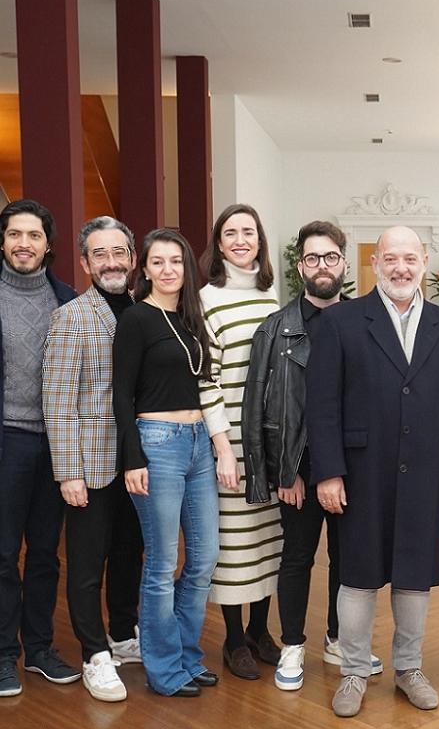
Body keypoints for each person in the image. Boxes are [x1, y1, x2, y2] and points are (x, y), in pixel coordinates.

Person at [307, 225, 439, 717]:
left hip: (427, 471)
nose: (401, 268)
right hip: (360, 471)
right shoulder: (340, 322)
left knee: (414, 573)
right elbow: (321, 406)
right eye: (391, 259)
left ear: (424, 262)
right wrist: (328, 472)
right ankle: (352, 671)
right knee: (357, 573)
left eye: (410, 259)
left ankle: (409, 668)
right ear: (375, 264)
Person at [244, 220, 382, 691]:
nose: (322, 266)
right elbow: (258, 405)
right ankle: (292, 645)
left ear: (344, 264)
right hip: (299, 467)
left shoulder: (367, 323)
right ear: (300, 266)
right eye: (312, 258)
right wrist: (282, 471)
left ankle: (339, 640)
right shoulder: (275, 328)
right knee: (298, 556)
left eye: (330, 257)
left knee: (348, 558)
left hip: (354, 464)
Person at [113, 228, 235, 697]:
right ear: (144, 269)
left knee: (204, 558)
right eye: (158, 262)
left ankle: (186, 655)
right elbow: (122, 394)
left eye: (176, 261)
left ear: (187, 266)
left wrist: (218, 443)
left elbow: (206, 384)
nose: (168, 270)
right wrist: (133, 458)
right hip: (157, 442)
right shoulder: (136, 319)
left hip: (199, 443)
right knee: (163, 563)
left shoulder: (191, 317)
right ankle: (164, 669)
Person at [42, 216, 144, 702]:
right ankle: (94, 654)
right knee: (86, 565)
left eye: (118, 252)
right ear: (84, 263)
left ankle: (123, 634)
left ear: (133, 258)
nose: (111, 261)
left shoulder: (146, 310)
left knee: (129, 554)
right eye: (99, 254)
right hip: (92, 463)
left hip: (139, 461)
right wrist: (69, 473)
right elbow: (58, 401)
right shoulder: (71, 317)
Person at [198, 204, 282, 680]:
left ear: (260, 240)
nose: (240, 240)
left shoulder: (272, 296)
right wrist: (223, 447)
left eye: (249, 232)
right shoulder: (207, 299)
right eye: (230, 233)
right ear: (219, 243)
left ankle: (259, 630)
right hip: (230, 437)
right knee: (234, 543)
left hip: (268, 439)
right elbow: (205, 379)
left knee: (269, 537)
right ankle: (232, 639)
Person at [0, 199, 80, 697]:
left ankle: (40, 649)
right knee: (3, 553)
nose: (23, 244)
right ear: (3, 241)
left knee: (47, 553)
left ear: (48, 244)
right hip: (6, 439)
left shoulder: (67, 300)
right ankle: (3, 655)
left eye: (33, 235)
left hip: (55, 443)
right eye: (15, 234)